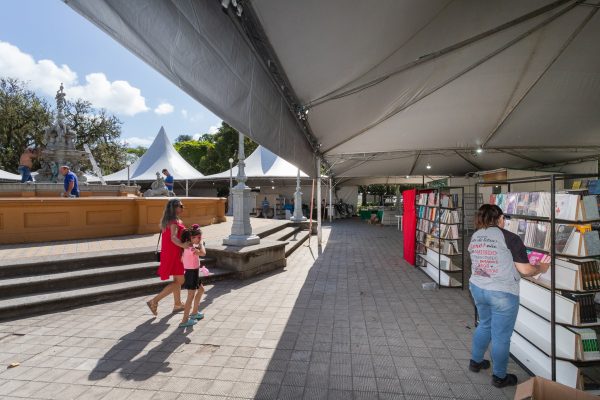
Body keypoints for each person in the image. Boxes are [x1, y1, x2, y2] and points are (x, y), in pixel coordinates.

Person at [468, 204, 549, 388]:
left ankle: (476, 362)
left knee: (485, 324)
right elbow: (525, 270)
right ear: (500, 218)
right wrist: (541, 267)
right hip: (502, 293)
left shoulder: (475, 236)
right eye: (504, 218)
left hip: (478, 288)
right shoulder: (510, 237)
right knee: (501, 337)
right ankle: (499, 377)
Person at [146, 198, 189, 316]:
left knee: (176, 280)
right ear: (174, 207)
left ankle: (178, 304)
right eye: (180, 205)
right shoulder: (174, 221)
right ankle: (154, 301)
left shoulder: (168, 221)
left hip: (170, 253)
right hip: (175, 254)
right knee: (180, 280)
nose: (182, 207)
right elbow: (173, 238)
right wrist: (183, 245)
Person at [178, 224, 207, 328]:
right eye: (198, 237)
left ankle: (194, 313)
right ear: (191, 238)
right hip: (191, 274)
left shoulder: (189, 246)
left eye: (200, 237)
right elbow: (203, 253)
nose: (200, 239)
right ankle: (184, 321)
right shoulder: (191, 248)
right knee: (190, 296)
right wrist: (202, 244)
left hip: (194, 272)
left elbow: (182, 259)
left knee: (201, 290)